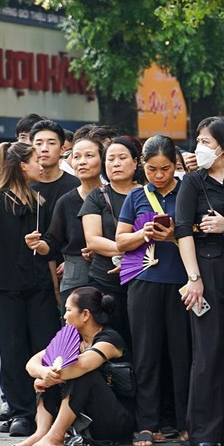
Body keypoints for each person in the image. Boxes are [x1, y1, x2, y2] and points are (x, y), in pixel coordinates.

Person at [0, 142, 62, 437]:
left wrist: (42, 245)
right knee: (12, 352)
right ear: (23, 165)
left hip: (38, 286)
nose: (42, 164)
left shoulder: (41, 201)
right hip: (6, 287)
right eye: (37, 159)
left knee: (44, 348)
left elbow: (52, 247)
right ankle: (21, 412)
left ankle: (45, 410)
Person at [176, 117, 224, 446]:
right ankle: (203, 430)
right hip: (204, 267)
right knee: (208, 351)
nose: (201, 147)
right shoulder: (193, 181)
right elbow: (182, 230)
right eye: (199, 140)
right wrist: (194, 278)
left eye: (207, 140)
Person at [116, 135, 190, 446]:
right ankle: (146, 424)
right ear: (141, 166)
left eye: (165, 168)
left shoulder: (188, 191)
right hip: (144, 284)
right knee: (146, 355)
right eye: (151, 169)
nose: (159, 175)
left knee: (182, 355)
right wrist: (141, 233)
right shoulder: (135, 197)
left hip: (181, 283)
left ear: (176, 165)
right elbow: (120, 242)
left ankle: (187, 421)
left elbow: (197, 237)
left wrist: (174, 236)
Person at [12, 287, 134, 446]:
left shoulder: (109, 340)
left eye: (68, 310)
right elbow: (33, 362)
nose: (64, 316)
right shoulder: (74, 339)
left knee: (83, 374)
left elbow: (82, 366)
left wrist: (48, 377)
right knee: (51, 370)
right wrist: (43, 373)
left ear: (85, 314)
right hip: (88, 418)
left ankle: (56, 435)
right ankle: (42, 432)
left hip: (117, 421)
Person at [79, 136, 143, 350]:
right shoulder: (97, 196)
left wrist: (131, 257)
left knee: (143, 342)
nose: (116, 163)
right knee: (111, 342)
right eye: (110, 159)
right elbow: (93, 240)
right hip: (105, 283)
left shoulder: (147, 193)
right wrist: (127, 248)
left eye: (122, 158)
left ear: (136, 162)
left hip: (144, 280)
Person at [26, 136, 104, 305]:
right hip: (75, 279)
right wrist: (38, 244)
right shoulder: (66, 201)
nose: (82, 162)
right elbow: (52, 243)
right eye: (76, 157)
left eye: (89, 156)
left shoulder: (112, 197)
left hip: (110, 276)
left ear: (102, 160)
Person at [31, 120, 81, 302]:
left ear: (62, 149)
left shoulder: (76, 186)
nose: (44, 149)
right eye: (38, 143)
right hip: (32, 272)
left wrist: (72, 261)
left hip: (68, 267)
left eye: (51, 143)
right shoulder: (24, 188)